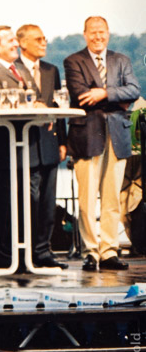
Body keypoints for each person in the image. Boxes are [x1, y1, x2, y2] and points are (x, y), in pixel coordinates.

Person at [64, 15, 142, 271]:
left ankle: (109, 251)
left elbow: (134, 91)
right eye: (93, 32)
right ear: (85, 34)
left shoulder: (121, 60)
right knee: (87, 198)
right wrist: (117, 98)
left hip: (117, 135)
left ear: (108, 33)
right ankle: (90, 251)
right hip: (87, 135)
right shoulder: (73, 61)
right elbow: (80, 94)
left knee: (112, 198)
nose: (98, 37)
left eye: (102, 32)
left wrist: (105, 93)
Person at [0, 25, 38, 270]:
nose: (16, 43)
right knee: (3, 206)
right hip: (2, 150)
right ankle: (5, 260)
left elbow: (34, 95)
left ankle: (23, 258)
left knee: (25, 204)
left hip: (22, 149)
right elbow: (0, 105)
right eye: (10, 40)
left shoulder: (21, 69)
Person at [15, 24, 68, 269]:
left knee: (48, 201)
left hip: (49, 144)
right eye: (38, 39)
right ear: (22, 43)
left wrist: (62, 142)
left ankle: (43, 250)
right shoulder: (12, 68)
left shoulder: (51, 70)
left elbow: (59, 109)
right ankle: (25, 251)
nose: (43, 43)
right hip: (25, 144)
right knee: (30, 199)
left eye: (45, 38)